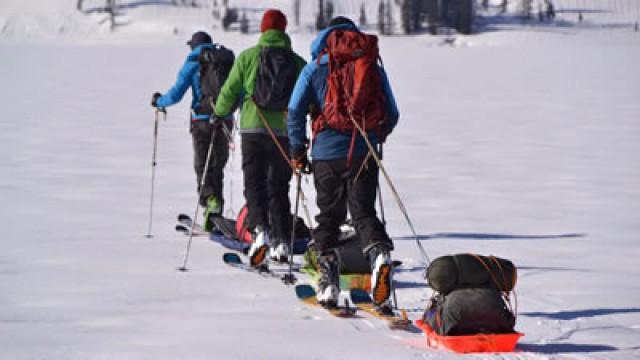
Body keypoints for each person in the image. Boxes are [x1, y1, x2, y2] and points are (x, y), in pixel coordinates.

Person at [287, 17, 399, 310]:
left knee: (329, 217)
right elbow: (393, 111)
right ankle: (378, 257)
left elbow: (295, 110)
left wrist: (297, 150)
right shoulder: (370, 64)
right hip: (364, 151)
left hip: (326, 153)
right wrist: (375, 137)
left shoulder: (314, 68)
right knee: (363, 212)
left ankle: (328, 282)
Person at [213, 9, 307, 267]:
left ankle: (260, 232)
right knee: (278, 187)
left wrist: (219, 113)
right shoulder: (297, 63)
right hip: (284, 133)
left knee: (253, 184)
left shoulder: (247, 58)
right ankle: (281, 241)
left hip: (254, 129)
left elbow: (230, 90)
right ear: (284, 30)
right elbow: (307, 99)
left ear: (264, 30)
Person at [151, 31, 233, 231]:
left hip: (201, 121)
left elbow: (177, 93)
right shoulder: (223, 62)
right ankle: (216, 208)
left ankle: (209, 204)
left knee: (202, 165)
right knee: (216, 166)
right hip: (224, 120)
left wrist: (159, 101)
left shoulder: (193, 61)